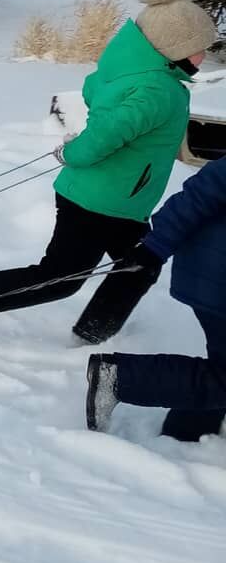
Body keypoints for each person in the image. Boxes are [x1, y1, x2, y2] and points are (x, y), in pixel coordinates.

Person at [0, 0, 218, 346]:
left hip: (119, 200)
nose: (204, 54)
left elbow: (95, 95)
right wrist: (74, 152)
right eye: (200, 46)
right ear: (172, 47)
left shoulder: (134, 72)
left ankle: (92, 333)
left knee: (139, 265)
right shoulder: (157, 90)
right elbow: (103, 136)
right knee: (60, 278)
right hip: (98, 202)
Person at [87, 154, 226, 441]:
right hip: (216, 275)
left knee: (221, 367)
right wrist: (154, 247)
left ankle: (186, 434)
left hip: (213, 273)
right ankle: (119, 379)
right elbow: (202, 192)